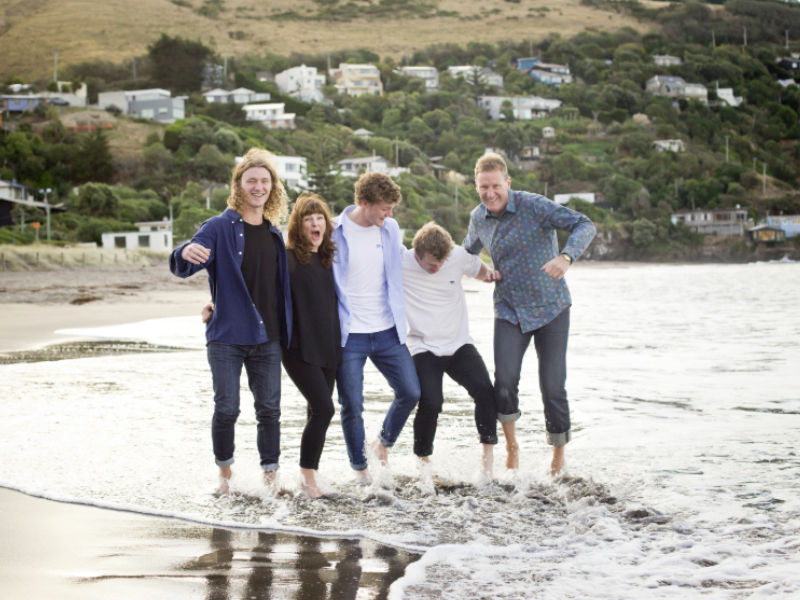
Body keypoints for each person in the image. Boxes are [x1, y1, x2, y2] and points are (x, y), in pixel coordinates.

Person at [463, 153, 596, 475]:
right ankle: (511, 446)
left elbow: (584, 224)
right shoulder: (478, 217)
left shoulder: (535, 205)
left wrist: (565, 256)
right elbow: (465, 254)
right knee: (505, 382)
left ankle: (558, 456)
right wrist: (480, 272)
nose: (490, 193)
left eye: (495, 185)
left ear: (507, 183)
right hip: (509, 310)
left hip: (552, 308)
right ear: (476, 186)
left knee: (553, 387)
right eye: (483, 187)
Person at [170, 148, 292, 495]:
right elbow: (187, 260)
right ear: (239, 185)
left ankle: (271, 481)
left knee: (269, 411)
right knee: (227, 409)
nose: (258, 187)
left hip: (267, 337)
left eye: (264, 181)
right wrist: (182, 252)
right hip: (226, 336)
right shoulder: (219, 227)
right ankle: (225, 478)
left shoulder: (273, 233)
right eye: (251, 180)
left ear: (273, 187)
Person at [331, 172, 421, 483]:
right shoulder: (333, 231)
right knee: (352, 405)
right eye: (385, 208)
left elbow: (406, 262)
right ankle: (361, 472)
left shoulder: (391, 229)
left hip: (387, 330)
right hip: (349, 335)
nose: (390, 214)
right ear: (364, 203)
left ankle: (382, 443)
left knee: (410, 392)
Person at [401, 222, 501, 484]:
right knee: (431, 402)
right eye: (431, 264)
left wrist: (491, 274)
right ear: (417, 254)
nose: (437, 269)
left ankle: (486, 466)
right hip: (423, 347)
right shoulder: (401, 262)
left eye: (441, 263)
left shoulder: (456, 255)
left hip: (458, 345)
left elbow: (482, 271)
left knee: (486, 392)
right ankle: (424, 470)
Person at [280, 193, 342, 498]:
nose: (315, 223)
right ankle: (306, 479)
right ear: (299, 224)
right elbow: (259, 288)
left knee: (315, 412)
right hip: (297, 346)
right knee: (324, 409)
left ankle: (309, 476)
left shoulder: (330, 258)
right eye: (308, 218)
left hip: (329, 346)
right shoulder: (288, 258)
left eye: (320, 218)